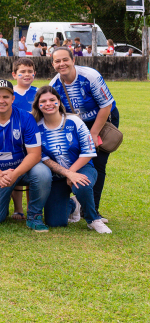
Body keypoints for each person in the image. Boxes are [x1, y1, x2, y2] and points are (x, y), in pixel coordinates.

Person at [0, 79, 50, 231]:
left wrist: (14, 174)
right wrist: (0, 175)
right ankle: (1, 203)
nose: (1, 101)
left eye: (6, 97)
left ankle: (34, 215)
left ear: (13, 98)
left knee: (42, 172)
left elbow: (35, 154)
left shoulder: (26, 118)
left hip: (23, 169)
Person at [48, 47, 117, 215]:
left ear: (73, 60)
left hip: (102, 118)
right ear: (53, 64)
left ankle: (92, 211)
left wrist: (93, 133)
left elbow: (106, 105)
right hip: (77, 124)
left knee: (98, 163)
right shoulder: (54, 85)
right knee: (73, 160)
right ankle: (75, 202)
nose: (62, 64)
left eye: (65, 59)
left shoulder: (90, 76)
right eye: (57, 61)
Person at [33, 86, 111, 234]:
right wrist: (68, 174)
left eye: (52, 100)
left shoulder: (74, 121)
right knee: (55, 222)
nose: (48, 104)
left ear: (58, 101)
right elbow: (44, 159)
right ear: (38, 104)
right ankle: (73, 205)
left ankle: (93, 220)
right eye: (43, 101)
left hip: (83, 168)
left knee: (81, 184)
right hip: (57, 175)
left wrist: (72, 172)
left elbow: (89, 151)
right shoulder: (36, 127)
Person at [8, 58, 38, 221]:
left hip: (34, 140)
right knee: (16, 172)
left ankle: (30, 208)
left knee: (32, 173)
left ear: (34, 73)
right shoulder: (9, 92)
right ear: (14, 74)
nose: (27, 74)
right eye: (22, 72)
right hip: (13, 140)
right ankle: (18, 209)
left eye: (30, 71)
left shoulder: (39, 92)